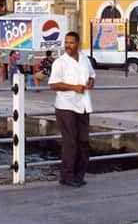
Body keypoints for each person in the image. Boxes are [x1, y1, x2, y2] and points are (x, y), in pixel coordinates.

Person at [48, 32, 95, 188]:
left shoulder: (85, 59)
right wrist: (73, 87)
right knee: (70, 142)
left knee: (83, 141)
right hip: (66, 106)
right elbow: (53, 84)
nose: (68, 45)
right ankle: (66, 177)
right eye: (66, 42)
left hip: (83, 105)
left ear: (78, 44)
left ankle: (79, 175)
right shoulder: (60, 62)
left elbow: (92, 75)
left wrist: (91, 81)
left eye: (71, 43)